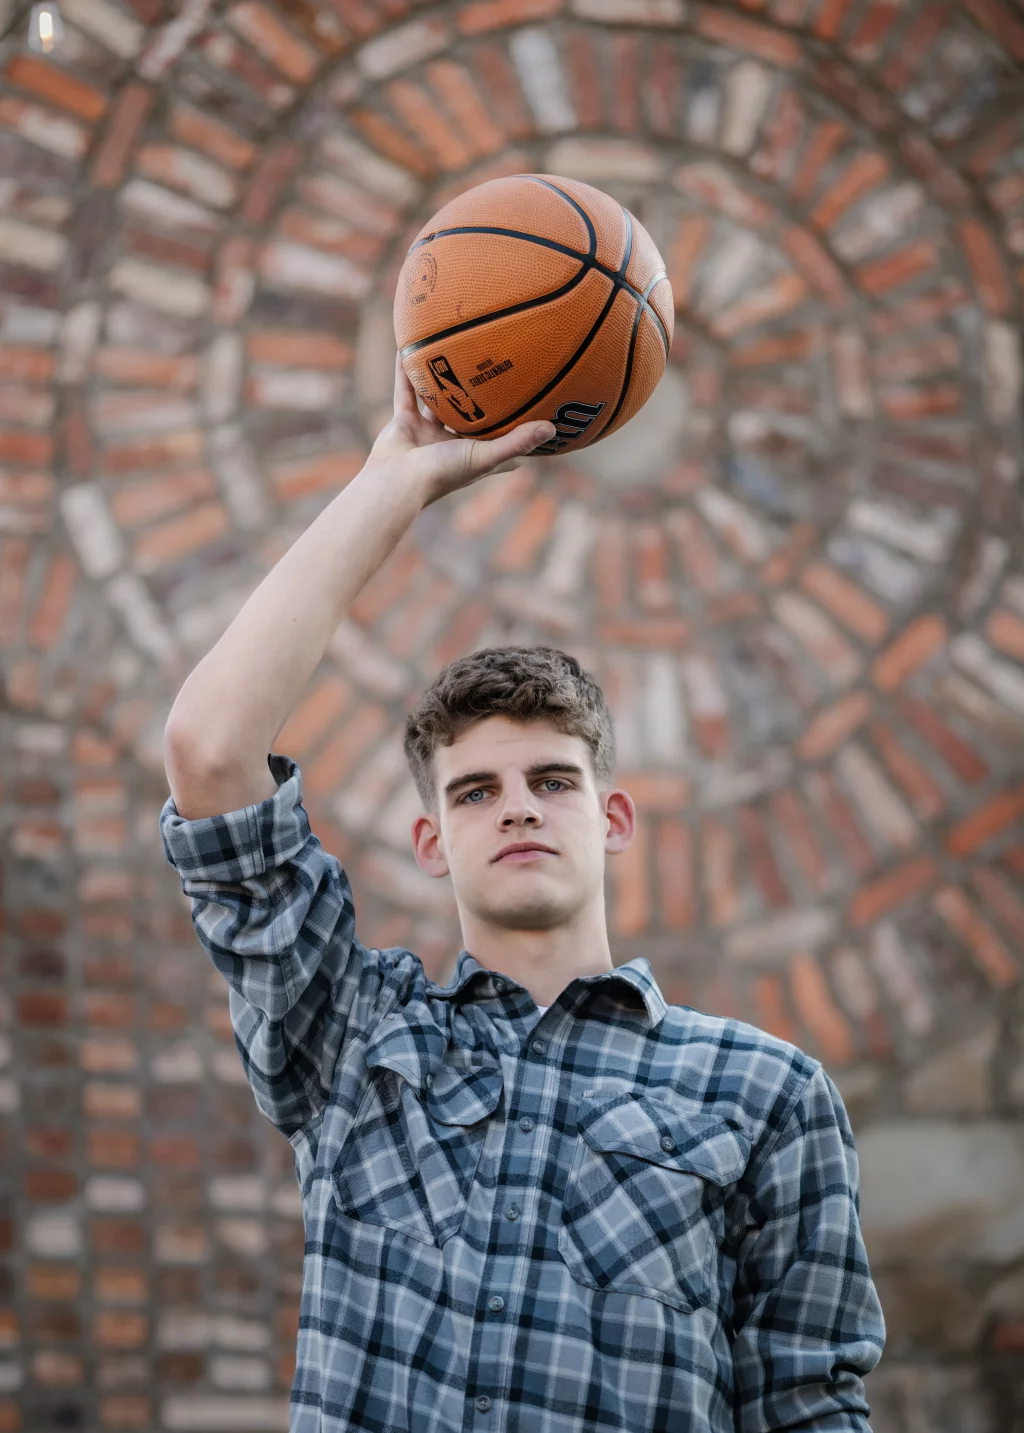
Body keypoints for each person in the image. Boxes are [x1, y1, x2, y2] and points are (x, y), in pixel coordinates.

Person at [160, 354, 885, 1432]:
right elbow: (209, 751)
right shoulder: (352, 1041)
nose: (518, 807)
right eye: (476, 790)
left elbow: (807, 1409)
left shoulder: (763, 1092)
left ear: (612, 818)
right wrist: (396, 479)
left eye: (553, 779)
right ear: (432, 840)